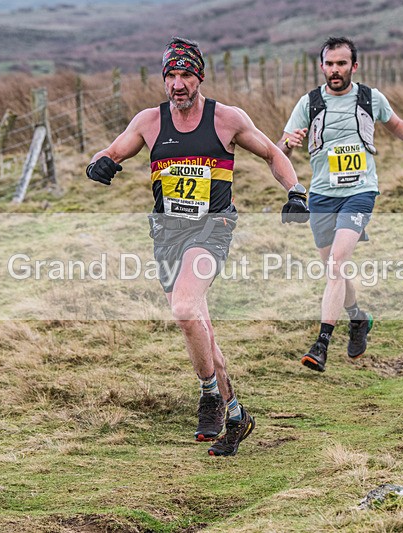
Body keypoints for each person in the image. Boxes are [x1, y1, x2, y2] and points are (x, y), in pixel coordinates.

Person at [87, 37, 309, 456]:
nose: (177, 84)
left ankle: (208, 395)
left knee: (185, 309)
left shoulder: (226, 119)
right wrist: (99, 164)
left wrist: (296, 191)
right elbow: (114, 151)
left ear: (199, 77)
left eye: (185, 74)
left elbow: (271, 153)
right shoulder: (150, 122)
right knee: (198, 326)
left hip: (212, 228)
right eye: (170, 75)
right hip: (167, 234)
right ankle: (235, 412)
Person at [277, 36, 403, 372]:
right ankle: (358, 318)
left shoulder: (370, 98)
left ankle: (322, 343)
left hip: (361, 191)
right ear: (322, 66)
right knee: (333, 268)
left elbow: (396, 125)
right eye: (330, 64)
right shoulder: (308, 103)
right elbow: (278, 153)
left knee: (338, 263)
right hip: (323, 194)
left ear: (354, 66)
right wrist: (288, 143)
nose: (335, 70)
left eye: (342, 63)